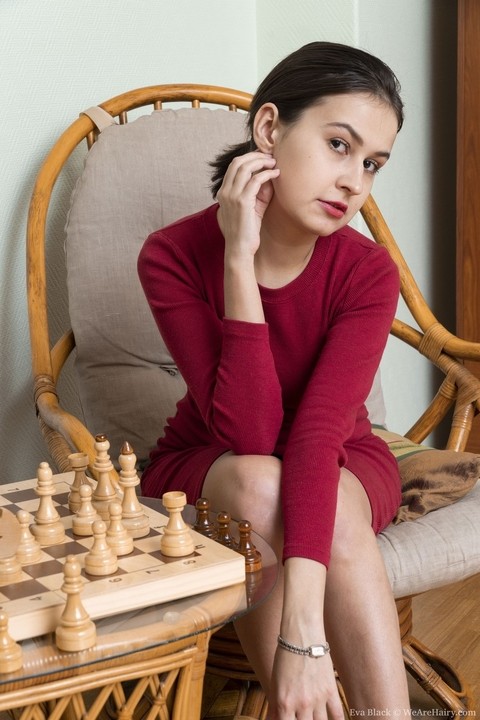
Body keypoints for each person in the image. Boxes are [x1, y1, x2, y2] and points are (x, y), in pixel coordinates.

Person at [138, 41, 410, 718]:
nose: (355, 182)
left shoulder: (368, 272)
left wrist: (303, 637)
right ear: (268, 130)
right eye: (339, 145)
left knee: (315, 495)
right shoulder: (172, 255)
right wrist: (240, 257)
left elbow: (317, 437)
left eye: (373, 164)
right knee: (260, 478)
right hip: (213, 460)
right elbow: (249, 432)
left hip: (344, 456)